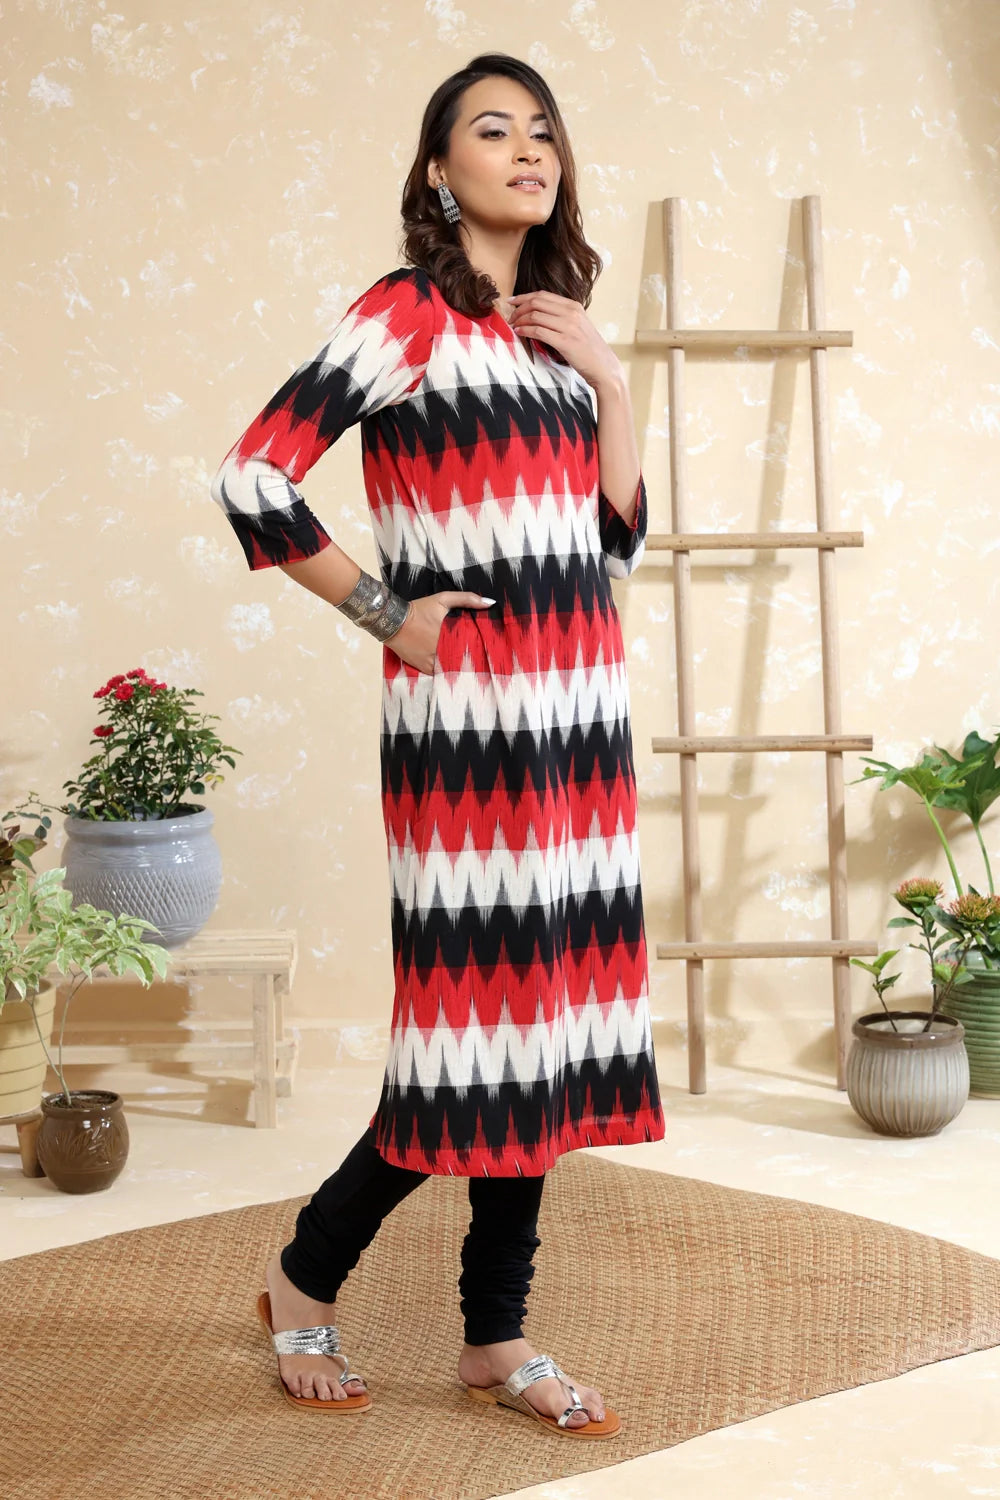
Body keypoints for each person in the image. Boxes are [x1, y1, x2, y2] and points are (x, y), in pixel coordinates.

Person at [210, 52, 665, 1439]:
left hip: (578, 716)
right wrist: (386, 612)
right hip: (470, 727)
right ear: (437, 169)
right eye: (494, 129)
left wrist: (610, 380)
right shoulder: (406, 314)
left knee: (544, 1027)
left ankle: (494, 1333)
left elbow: (613, 544)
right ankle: (305, 1276)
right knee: (472, 1031)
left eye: (544, 133)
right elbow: (254, 475)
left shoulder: (557, 330)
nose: (528, 150)